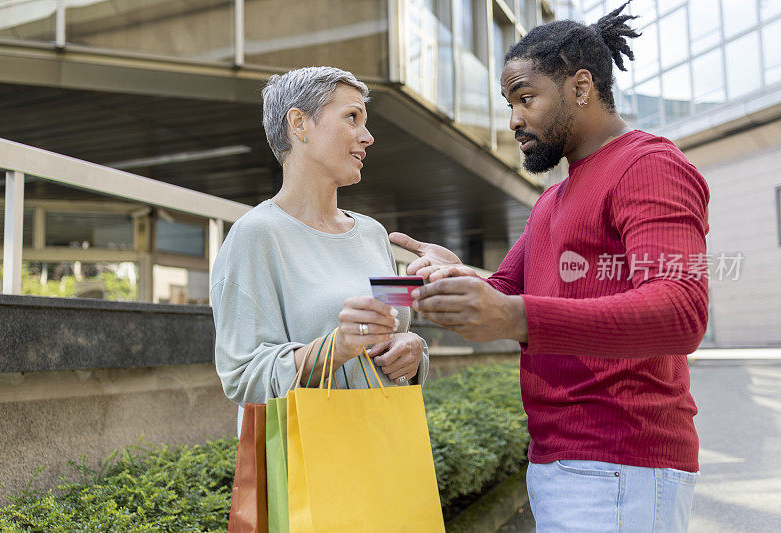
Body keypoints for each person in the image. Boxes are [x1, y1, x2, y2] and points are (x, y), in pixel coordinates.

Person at [391, 3, 707, 531]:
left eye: (525, 97)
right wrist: (458, 273)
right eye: (509, 103)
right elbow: (507, 291)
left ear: (580, 87)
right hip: (563, 462)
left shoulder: (648, 165)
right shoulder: (553, 199)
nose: (513, 119)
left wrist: (516, 317)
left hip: (621, 465)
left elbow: (681, 309)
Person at [210, 66, 428, 433]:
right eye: (352, 117)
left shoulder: (374, 234)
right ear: (299, 124)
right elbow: (242, 377)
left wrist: (414, 350)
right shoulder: (256, 235)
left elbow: (397, 330)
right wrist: (336, 348)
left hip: (390, 445)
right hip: (314, 461)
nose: (368, 136)